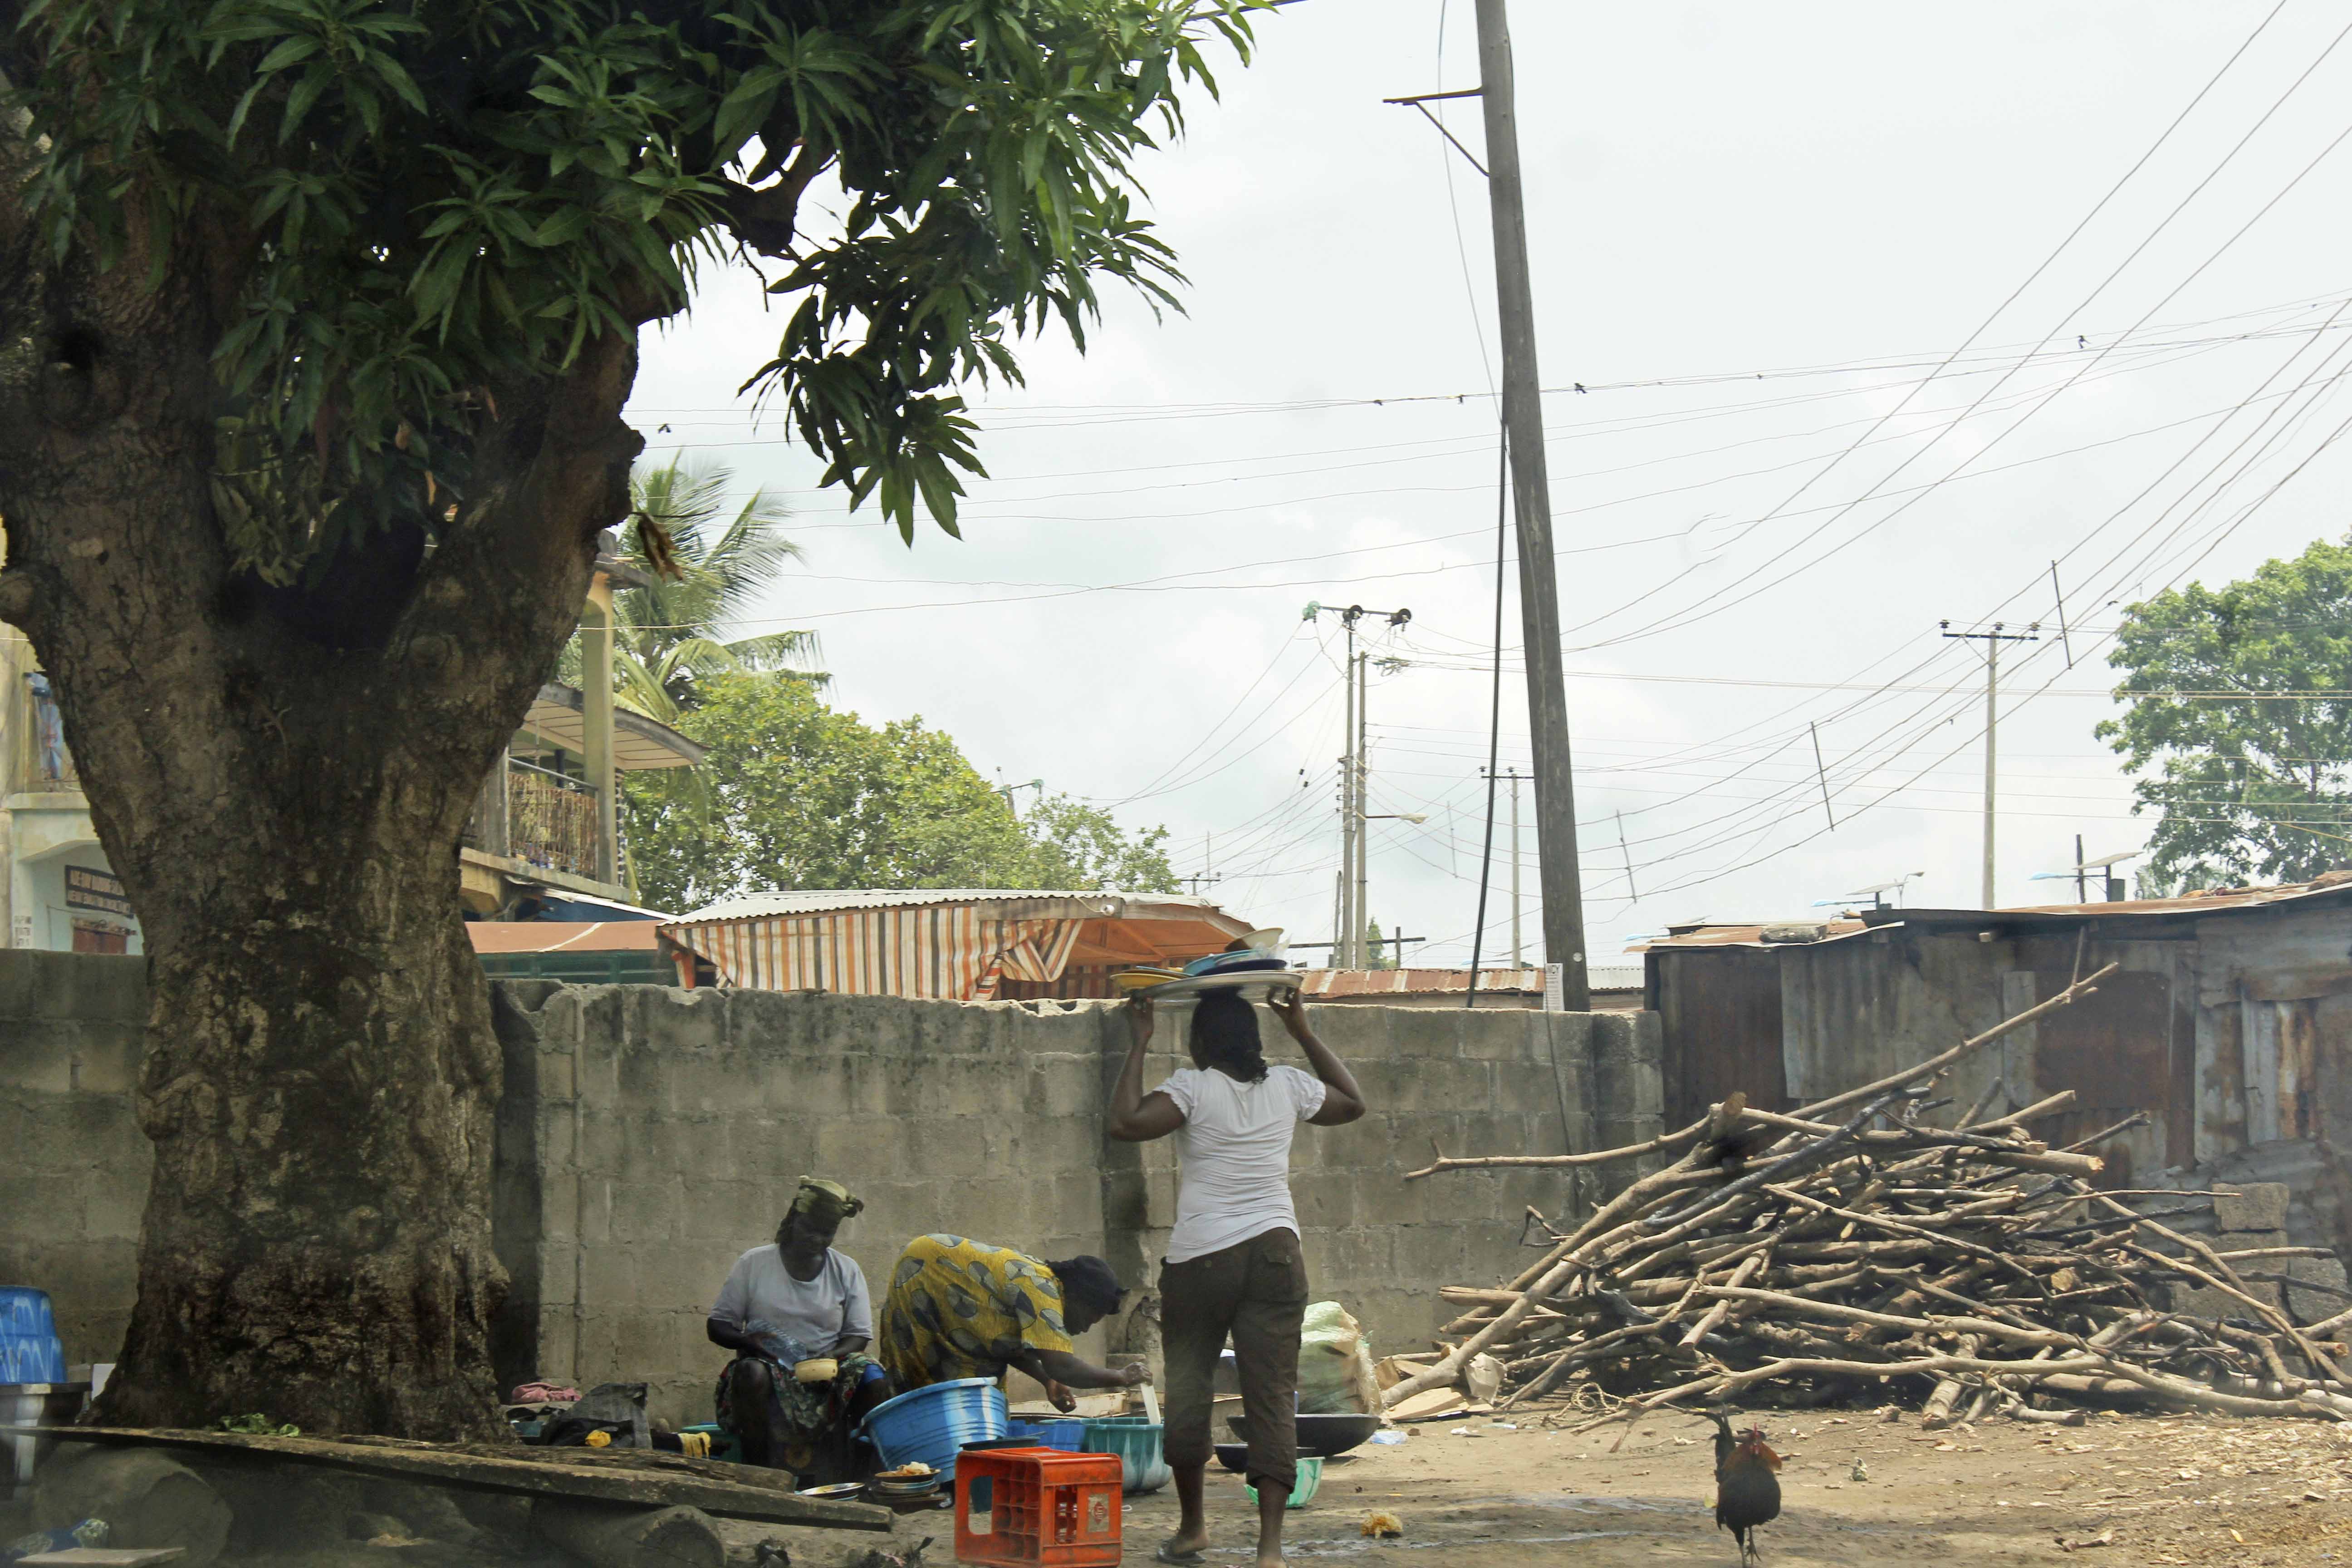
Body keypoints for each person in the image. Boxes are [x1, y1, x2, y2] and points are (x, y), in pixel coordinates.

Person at [1107, 988, 1366, 1568]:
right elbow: (1352, 1102)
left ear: (1200, 1042)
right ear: (1255, 1040)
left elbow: (1124, 1122)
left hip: (1201, 1259)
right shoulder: (1290, 1086)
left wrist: (1140, 1042)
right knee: (1272, 1395)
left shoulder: (1193, 1089)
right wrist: (1302, 1030)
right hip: (1276, 1253)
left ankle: (1193, 1528)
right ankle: (1269, 1549)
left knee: (1193, 1387)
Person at [707, 1177, 889, 1480]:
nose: (817, 1239)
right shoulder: (754, 1264)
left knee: (872, 1376)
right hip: (769, 1367)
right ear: (793, 1219)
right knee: (750, 1373)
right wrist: (750, 1343)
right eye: (810, 1229)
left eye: (827, 1232)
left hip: (826, 1371)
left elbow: (858, 1336)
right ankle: (760, 1476)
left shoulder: (845, 1270)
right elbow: (718, 1326)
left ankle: (862, 1476)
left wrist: (830, 1357)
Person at [876, 1235, 1148, 1409]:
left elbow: (1005, 1340)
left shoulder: (1042, 1288)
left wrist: (1046, 1380)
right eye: (1090, 1319)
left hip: (936, 1279)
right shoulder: (1042, 1289)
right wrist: (1121, 1377)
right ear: (1077, 1298)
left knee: (976, 1398)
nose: (1086, 1328)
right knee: (932, 1394)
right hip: (924, 1274)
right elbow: (1064, 1367)